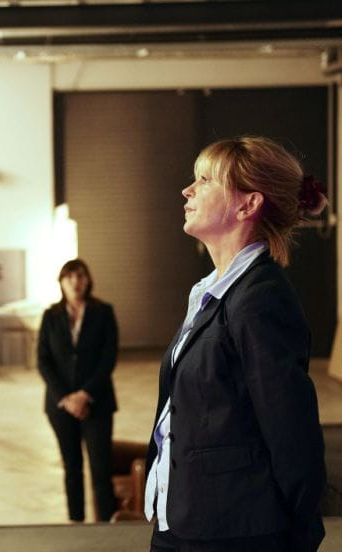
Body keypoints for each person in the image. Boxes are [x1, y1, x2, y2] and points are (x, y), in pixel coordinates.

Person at [144, 136, 327, 552]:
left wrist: (299, 535)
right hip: (185, 519)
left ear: (248, 205)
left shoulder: (261, 300)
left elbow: (292, 434)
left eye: (205, 180)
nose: (187, 190)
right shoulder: (213, 292)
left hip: (231, 532)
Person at [37, 259, 118, 522]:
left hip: (97, 402)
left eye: (80, 276)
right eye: (69, 277)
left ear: (88, 280)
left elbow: (108, 358)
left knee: (100, 469)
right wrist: (66, 398)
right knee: (72, 469)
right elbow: (43, 361)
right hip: (60, 407)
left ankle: (107, 528)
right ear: (61, 282)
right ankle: (76, 525)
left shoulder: (103, 312)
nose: (75, 282)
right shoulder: (50, 316)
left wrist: (84, 395)